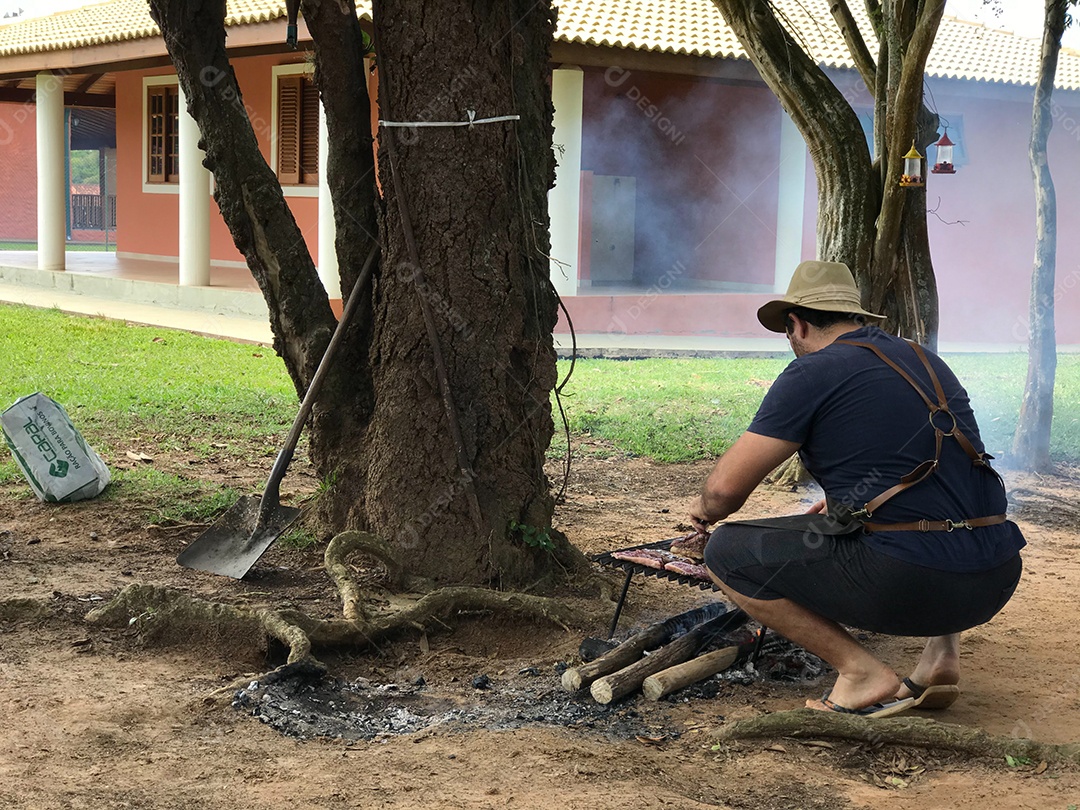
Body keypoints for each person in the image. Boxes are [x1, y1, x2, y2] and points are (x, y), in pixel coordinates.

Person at [688, 260, 1025, 716]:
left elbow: (725, 492)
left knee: (727, 550)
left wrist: (704, 511)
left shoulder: (811, 373)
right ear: (858, 318)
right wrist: (851, 498)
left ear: (796, 323)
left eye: (786, 332)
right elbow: (943, 459)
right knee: (946, 517)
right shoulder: (926, 360)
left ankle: (860, 672)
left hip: (910, 584)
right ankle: (940, 658)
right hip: (995, 577)